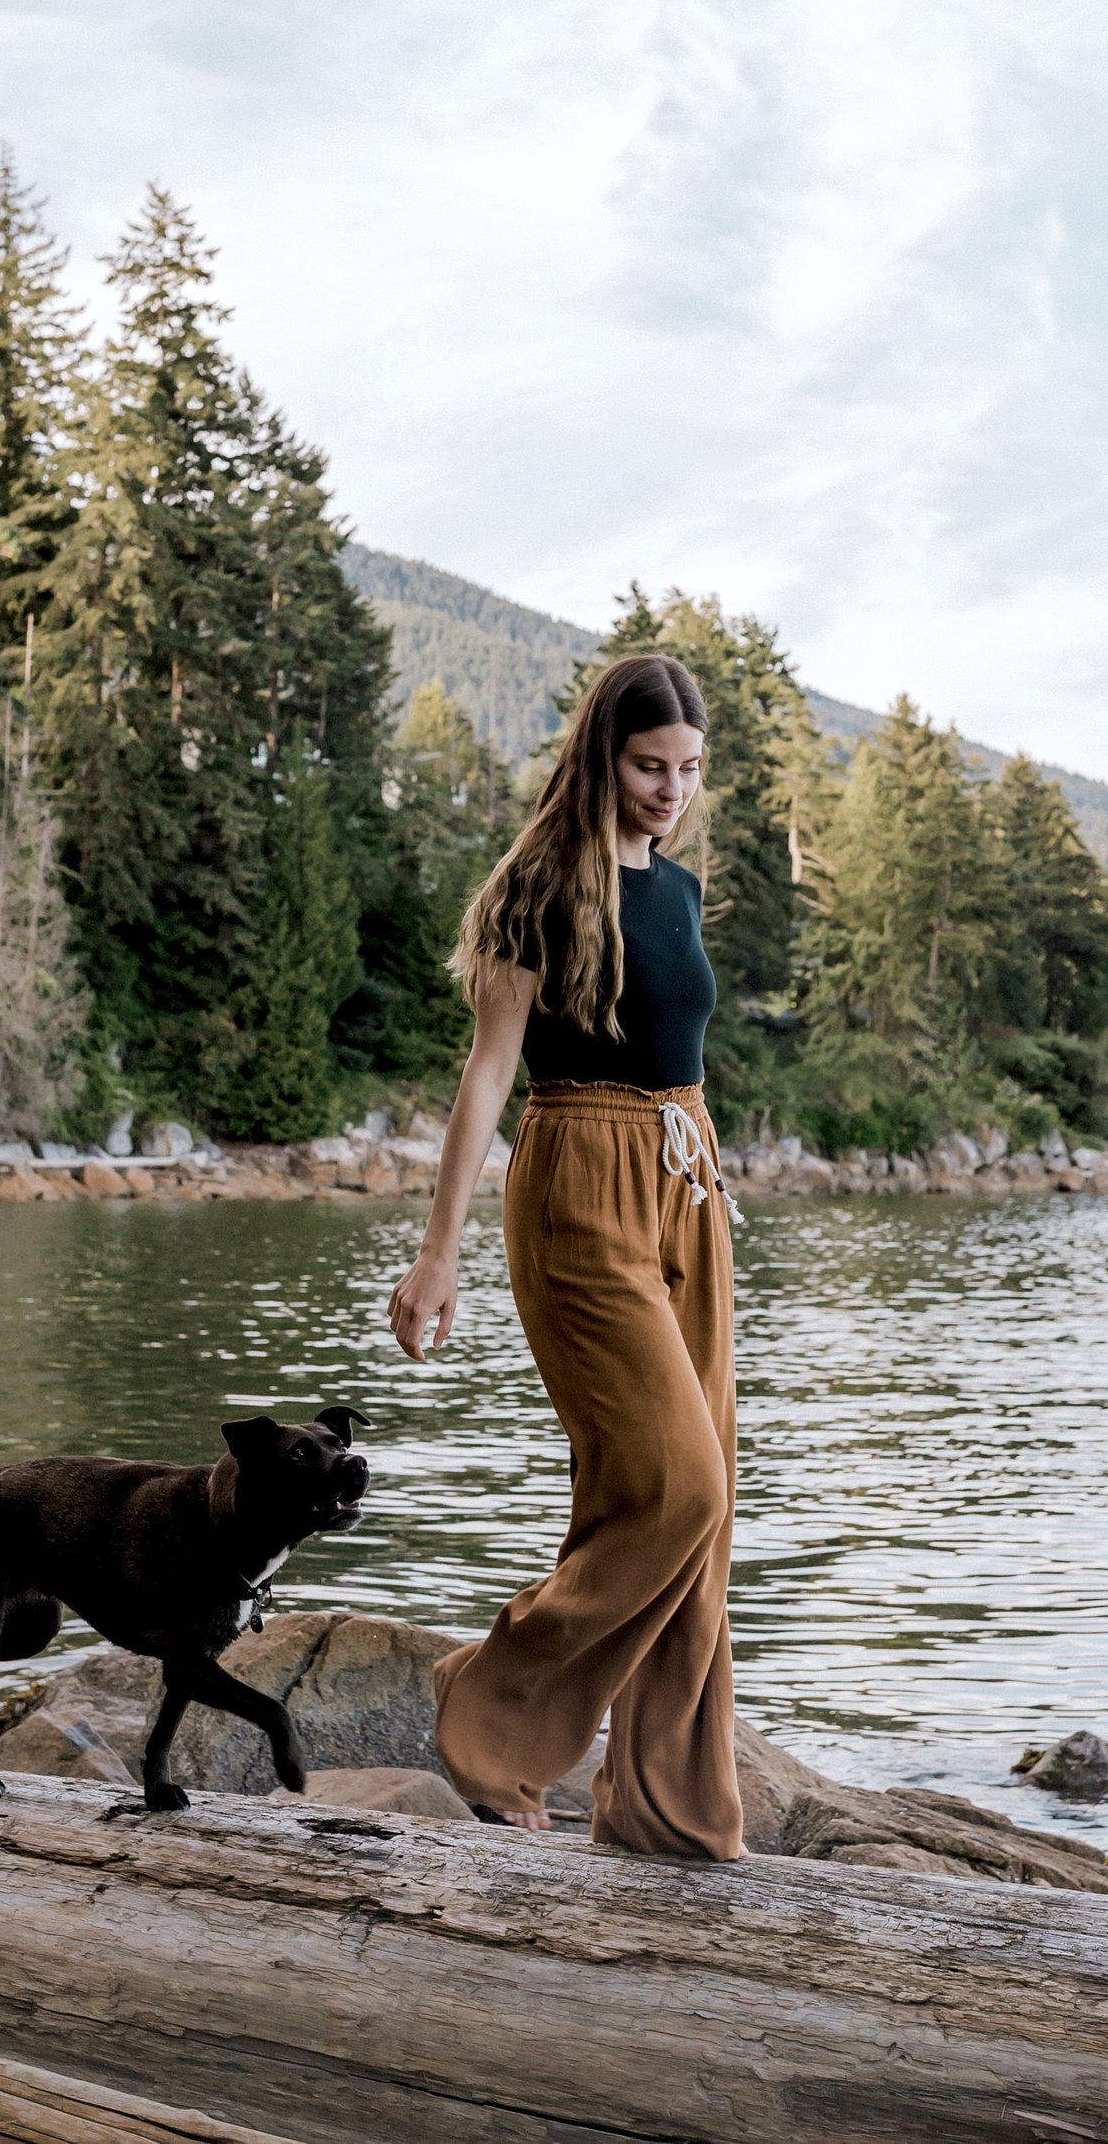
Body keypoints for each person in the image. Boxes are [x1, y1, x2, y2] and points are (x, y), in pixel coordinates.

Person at [385, 653, 744, 1861]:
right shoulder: (538, 883)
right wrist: (439, 1256)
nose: (671, 790)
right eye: (651, 766)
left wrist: (686, 1165)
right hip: (578, 1181)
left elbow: (674, 1042)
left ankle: (663, 1808)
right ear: (602, 755)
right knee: (673, 1481)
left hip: (684, 1183)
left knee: (698, 1508)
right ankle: (488, 1700)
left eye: (689, 770)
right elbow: (488, 1073)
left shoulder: (681, 890)